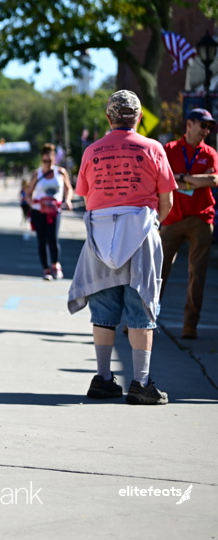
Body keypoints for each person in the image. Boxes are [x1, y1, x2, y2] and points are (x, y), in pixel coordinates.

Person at [67, 90, 176, 405]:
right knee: (141, 307)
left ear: (108, 117)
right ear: (139, 117)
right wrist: (151, 225)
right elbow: (167, 201)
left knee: (103, 307)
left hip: (101, 234)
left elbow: (85, 195)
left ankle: (103, 378)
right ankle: (140, 382)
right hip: (140, 231)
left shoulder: (92, 151)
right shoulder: (153, 148)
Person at [159, 108, 218, 339]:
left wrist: (181, 178)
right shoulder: (170, 149)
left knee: (197, 274)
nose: (206, 130)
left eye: (209, 127)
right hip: (172, 218)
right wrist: (195, 180)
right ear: (190, 124)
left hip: (201, 219)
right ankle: (141, 320)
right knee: (157, 271)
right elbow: (163, 179)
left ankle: (189, 326)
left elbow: (213, 180)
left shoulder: (210, 153)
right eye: (203, 125)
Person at [25, 143, 74, 280]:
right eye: (45, 161)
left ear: (54, 159)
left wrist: (68, 200)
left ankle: (55, 265)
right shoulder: (37, 174)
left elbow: (68, 189)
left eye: (50, 161)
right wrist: (30, 201)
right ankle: (46, 269)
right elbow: (28, 192)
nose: (47, 163)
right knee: (41, 239)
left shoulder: (61, 172)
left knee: (52, 238)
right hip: (39, 210)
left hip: (54, 210)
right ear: (41, 159)